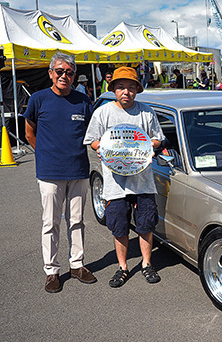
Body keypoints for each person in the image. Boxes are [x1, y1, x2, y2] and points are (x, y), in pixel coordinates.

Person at [84, 67, 165, 288]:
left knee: (145, 225)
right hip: (115, 184)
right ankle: (123, 267)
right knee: (119, 227)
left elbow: (158, 139)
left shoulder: (146, 112)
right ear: (114, 90)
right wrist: (100, 146)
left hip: (143, 182)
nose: (126, 92)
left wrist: (149, 146)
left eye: (130, 87)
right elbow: (91, 139)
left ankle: (147, 264)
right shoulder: (103, 112)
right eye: (121, 87)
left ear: (137, 90)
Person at [23, 52, 96, 293]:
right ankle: (51, 271)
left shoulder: (83, 100)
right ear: (51, 73)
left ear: (74, 75)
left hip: (78, 171)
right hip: (50, 172)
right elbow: (29, 133)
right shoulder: (38, 99)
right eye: (60, 71)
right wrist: (44, 154)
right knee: (50, 222)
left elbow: (91, 133)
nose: (64, 75)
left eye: (69, 72)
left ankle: (77, 265)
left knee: (77, 221)